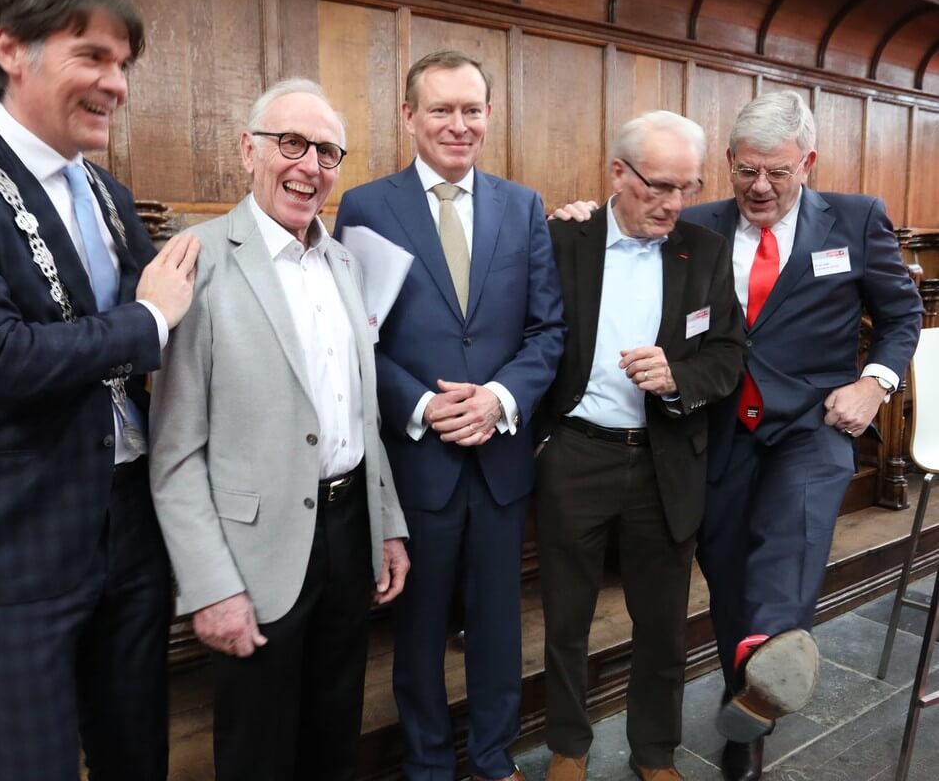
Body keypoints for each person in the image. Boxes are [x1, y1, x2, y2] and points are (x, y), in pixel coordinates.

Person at [556, 91, 923, 781]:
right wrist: (578, 216)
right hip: (712, 431)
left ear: (807, 163)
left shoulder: (855, 220)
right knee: (725, 580)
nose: (760, 186)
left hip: (810, 425)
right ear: (726, 162)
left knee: (795, 534)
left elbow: (902, 317)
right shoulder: (692, 222)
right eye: (746, 170)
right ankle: (745, 695)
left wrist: (875, 382)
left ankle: (766, 675)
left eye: (778, 173)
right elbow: (619, 238)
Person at [0, 0, 200, 779]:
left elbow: (173, 323)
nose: (117, 83)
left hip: (128, 529)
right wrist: (148, 321)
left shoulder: (112, 196)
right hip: (11, 539)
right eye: (92, 55)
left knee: (138, 757)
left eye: (122, 63)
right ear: (10, 50)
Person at [148, 78, 409, 781]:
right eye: (291, 143)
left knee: (334, 736)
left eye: (328, 152)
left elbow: (363, 414)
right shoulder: (194, 262)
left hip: (348, 535)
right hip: (254, 557)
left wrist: (387, 525)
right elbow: (174, 454)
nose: (310, 166)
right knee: (258, 752)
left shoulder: (345, 261)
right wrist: (209, 586)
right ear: (248, 150)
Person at [334, 50, 566, 781]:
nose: (458, 125)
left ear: (490, 116)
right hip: (418, 462)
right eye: (441, 109)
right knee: (421, 628)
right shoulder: (368, 207)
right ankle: (429, 765)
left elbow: (546, 330)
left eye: (472, 110)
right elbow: (352, 333)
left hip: (499, 455)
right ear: (409, 116)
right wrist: (425, 403)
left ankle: (495, 758)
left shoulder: (523, 206)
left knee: (499, 625)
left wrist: (497, 399)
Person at [535, 111, 744, 781]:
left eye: (687, 186)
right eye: (658, 185)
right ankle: (568, 746)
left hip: (665, 459)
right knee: (566, 619)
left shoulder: (704, 251)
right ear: (617, 174)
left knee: (661, 624)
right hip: (576, 451)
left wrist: (677, 377)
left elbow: (729, 355)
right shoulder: (563, 239)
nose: (673, 203)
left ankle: (655, 752)